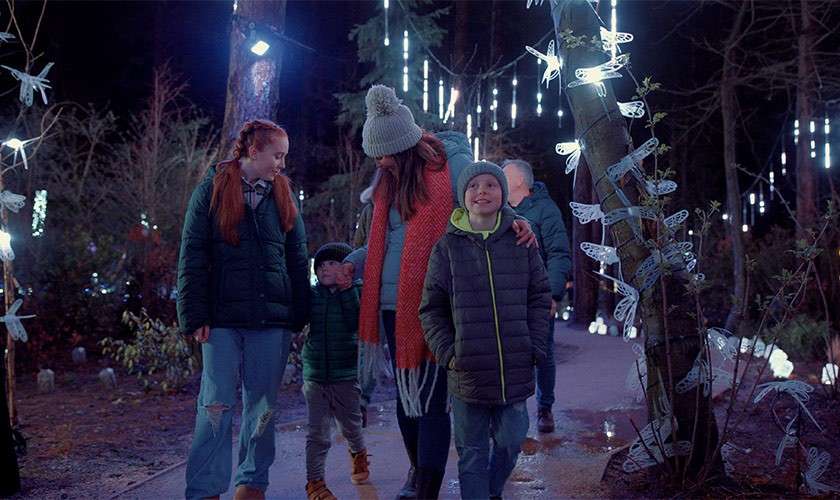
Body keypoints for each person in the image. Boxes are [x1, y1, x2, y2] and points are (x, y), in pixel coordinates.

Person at [342, 85, 535, 499]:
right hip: (392, 307)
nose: (379, 162)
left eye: (384, 154)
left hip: (437, 302)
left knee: (429, 399)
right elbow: (380, 244)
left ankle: (426, 482)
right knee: (406, 396)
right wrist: (349, 265)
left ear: (402, 145)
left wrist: (516, 219)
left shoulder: (450, 165)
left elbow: (484, 197)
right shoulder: (387, 183)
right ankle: (417, 471)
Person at [177, 119, 310, 500]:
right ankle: (204, 489)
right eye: (277, 154)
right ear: (255, 150)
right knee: (215, 403)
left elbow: (298, 259)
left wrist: (299, 314)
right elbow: (192, 254)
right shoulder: (212, 190)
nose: (281, 163)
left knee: (263, 405)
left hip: (271, 320)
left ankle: (252, 483)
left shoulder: (283, 194)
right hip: (220, 319)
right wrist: (194, 314)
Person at [420, 161, 551, 500]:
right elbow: (431, 308)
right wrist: (450, 353)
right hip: (468, 372)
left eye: (491, 185)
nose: (482, 192)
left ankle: (492, 490)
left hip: (514, 367)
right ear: (463, 196)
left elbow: (539, 296)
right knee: (472, 452)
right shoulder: (447, 248)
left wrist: (535, 344)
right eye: (474, 186)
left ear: (503, 193)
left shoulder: (521, 240)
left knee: (511, 439)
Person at [502, 159, 572, 434]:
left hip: (537, 294)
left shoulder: (546, 210)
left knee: (543, 353)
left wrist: (552, 294)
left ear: (519, 181)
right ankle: (513, 408)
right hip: (508, 294)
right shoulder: (501, 210)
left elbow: (558, 253)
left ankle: (545, 408)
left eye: (504, 174)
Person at [303, 242, 369, 500]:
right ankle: (315, 483)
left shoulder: (356, 292)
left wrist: (346, 291)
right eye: (321, 265)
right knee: (317, 432)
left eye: (332, 263)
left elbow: (356, 321)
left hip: (345, 374)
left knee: (350, 425)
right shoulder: (312, 295)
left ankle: (359, 453)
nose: (326, 269)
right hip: (315, 374)